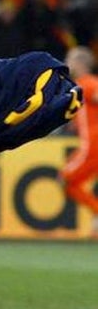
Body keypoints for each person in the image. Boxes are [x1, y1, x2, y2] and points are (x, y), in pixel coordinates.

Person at [60, 46, 98, 237]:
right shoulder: (80, 85)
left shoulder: (88, 83)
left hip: (93, 144)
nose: (67, 63)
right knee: (68, 183)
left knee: (65, 179)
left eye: (70, 59)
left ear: (81, 63)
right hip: (90, 143)